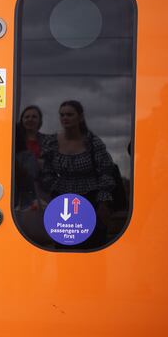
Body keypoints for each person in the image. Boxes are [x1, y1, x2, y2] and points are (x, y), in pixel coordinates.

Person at [41, 100, 116, 244]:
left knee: (92, 243)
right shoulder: (52, 142)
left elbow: (106, 173)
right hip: (61, 200)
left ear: (80, 117)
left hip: (91, 198)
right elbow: (47, 171)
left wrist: (103, 203)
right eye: (62, 115)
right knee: (63, 243)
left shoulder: (93, 142)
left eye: (70, 114)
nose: (65, 118)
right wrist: (52, 193)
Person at [14, 105, 47, 210]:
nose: (30, 119)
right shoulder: (14, 140)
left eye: (34, 117)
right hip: (20, 186)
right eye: (27, 117)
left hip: (41, 186)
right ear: (22, 120)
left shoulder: (47, 140)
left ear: (40, 120)